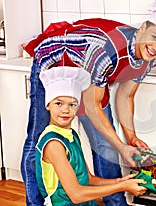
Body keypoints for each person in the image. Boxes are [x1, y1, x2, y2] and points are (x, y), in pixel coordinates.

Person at [21, 0, 156, 206]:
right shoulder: (106, 49)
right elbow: (93, 107)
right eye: (155, 37)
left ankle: (116, 203)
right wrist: (121, 147)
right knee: (37, 139)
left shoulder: (146, 58)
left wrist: (130, 139)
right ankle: (34, 202)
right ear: (142, 29)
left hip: (90, 74)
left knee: (106, 145)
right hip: (51, 64)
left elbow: (125, 96)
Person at [36, 66, 147, 206]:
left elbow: (88, 179)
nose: (65, 110)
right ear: (48, 105)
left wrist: (120, 181)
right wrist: (122, 187)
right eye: (59, 103)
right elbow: (76, 195)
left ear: (78, 107)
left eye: (72, 104)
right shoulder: (54, 144)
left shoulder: (71, 135)